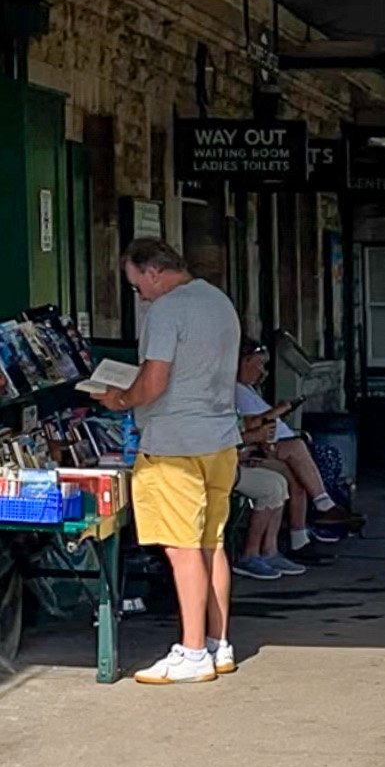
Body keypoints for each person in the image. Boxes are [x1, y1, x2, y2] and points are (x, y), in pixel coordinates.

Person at [90, 238, 242, 684]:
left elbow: (153, 381)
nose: (140, 295)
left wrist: (120, 398)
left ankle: (192, 652)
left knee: (181, 549)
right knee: (212, 542)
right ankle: (219, 644)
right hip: (220, 437)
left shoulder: (167, 311)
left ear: (153, 272)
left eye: (138, 286)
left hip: (174, 441)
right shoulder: (218, 301)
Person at [235, 340, 360, 561]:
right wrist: (278, 410)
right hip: (255, 449)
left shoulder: (249, 390)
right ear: (244, 362)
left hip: (273, 444)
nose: (262, 372)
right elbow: (249, 425)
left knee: (298, 474)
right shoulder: (235, 391)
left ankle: (299, 538)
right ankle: (321, 505)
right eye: (259, 365)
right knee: (296, 450)